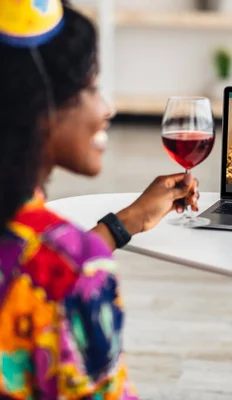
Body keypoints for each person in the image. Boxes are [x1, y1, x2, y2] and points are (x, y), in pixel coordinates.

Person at [0, 2, 198, 398]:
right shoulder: (75, 266)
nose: (107, 108)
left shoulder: (50, 255)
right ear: (39, 106)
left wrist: (126, 222)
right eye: (90, 88)